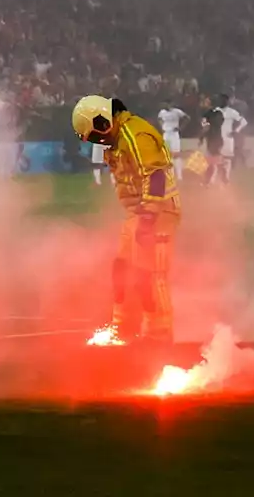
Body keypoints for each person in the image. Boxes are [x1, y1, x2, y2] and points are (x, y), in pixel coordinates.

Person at [71, 95, 180, 345]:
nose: (98, 141)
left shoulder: (136, 134)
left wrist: (149, 216)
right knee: (122, 267)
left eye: (95, 135)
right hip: (139, 212)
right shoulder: (118, 136)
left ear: (102, 121)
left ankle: (160, 333)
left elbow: (156, 175)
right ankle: (123, 327)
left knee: (152, 273)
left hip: (159, 211)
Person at [158, 101, 188, 181]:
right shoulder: (162, 112)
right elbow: (159, 119)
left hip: (174, 134)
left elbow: (187, 118)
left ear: (170, 104)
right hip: (166, 135)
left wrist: (181, 128)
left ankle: (179, 176)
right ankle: (170, 175)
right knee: (167, 155)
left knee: (176, 154)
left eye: (166, 103)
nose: (164, 105)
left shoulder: (177, 111)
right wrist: (162, 127)